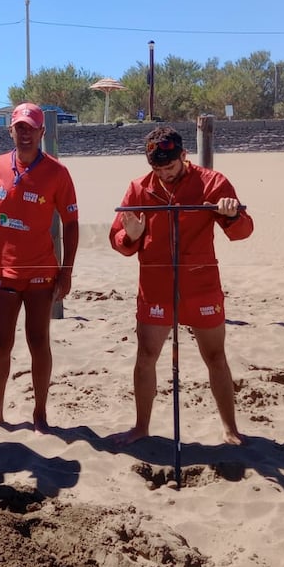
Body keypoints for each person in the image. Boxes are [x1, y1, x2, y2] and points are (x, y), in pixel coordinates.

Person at [110, 126, 253, 446]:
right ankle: (141, 427)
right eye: (157, 169)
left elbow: (243, 231)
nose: (163, 174)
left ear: (184, 156)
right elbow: (118, 239)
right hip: (156, 286)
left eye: (170, 167)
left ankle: (230, 429)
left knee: (215, 355)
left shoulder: (212, 183)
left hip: (201, 285)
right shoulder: (138, 188)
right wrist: (130, 236)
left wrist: (231, 215)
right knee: (146, 355)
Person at [0, 102, 79, 434]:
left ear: (42, 132)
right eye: (20, 127)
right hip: (2, 272)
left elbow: (71, 223)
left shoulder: (57, 172)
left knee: (38, 341)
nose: (25, 133)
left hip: (41, 273)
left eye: (31, 128)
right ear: (11, 131)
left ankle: (40, 414)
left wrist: (67, 270)